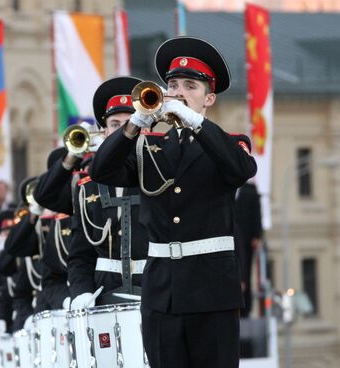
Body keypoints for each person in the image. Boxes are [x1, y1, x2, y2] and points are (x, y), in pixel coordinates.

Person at [90, 37, 257, 368]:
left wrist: (194, 122)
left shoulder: (229, 144)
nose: (179, 92)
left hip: (211, 291)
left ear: (209, 98)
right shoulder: (148, 148)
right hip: (162, 293)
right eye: (173, 85)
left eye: (190, 86)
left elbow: (241, 170)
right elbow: (101, 170)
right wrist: (134, 124)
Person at [67, 76, 149, 310]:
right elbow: (80, 255)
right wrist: (81, 293)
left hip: (155, 295)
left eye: (131, 122)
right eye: (115, 124)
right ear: (104, 131)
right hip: (104, 298)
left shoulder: (161, 176)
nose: (124, 131)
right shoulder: (87, 187)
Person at [234, 177, 263, 318]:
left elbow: (257, 214)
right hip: (228, 236)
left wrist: (257, 236)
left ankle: (246, 308)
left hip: (246, 238)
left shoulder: (250, 190)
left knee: (245, 272)